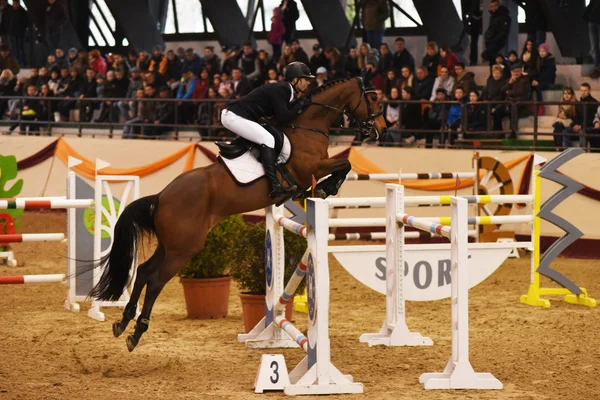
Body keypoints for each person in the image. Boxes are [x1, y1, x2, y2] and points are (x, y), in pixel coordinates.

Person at [221, 61, 314, 199]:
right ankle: (274, 185)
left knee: (269, 136)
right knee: (267, 139)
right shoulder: (283, 89)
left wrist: (300, 103)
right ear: (295, 80)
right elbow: (284, 117)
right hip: (234, 116)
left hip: (240, 116)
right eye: (306, 79)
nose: (308, 83)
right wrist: (302, 103)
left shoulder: (288, 91)